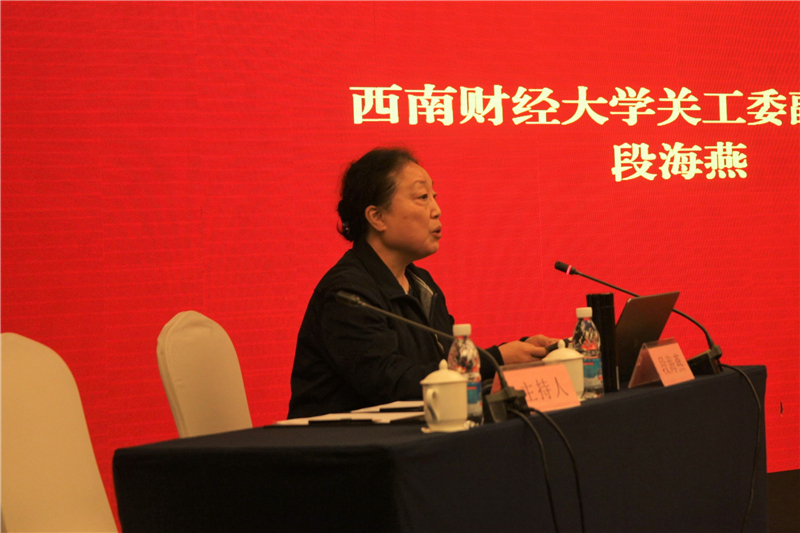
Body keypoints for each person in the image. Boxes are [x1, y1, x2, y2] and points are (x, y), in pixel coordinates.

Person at [288, 148, 557, 418]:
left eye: (434, 197)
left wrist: (514, 355)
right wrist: (496, 359)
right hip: (340, 441)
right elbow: (392, 383)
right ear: (377, 217)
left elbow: (446, 365)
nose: (437, 211)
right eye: (422, 197)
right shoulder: (346, 294)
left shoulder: (421, 283)